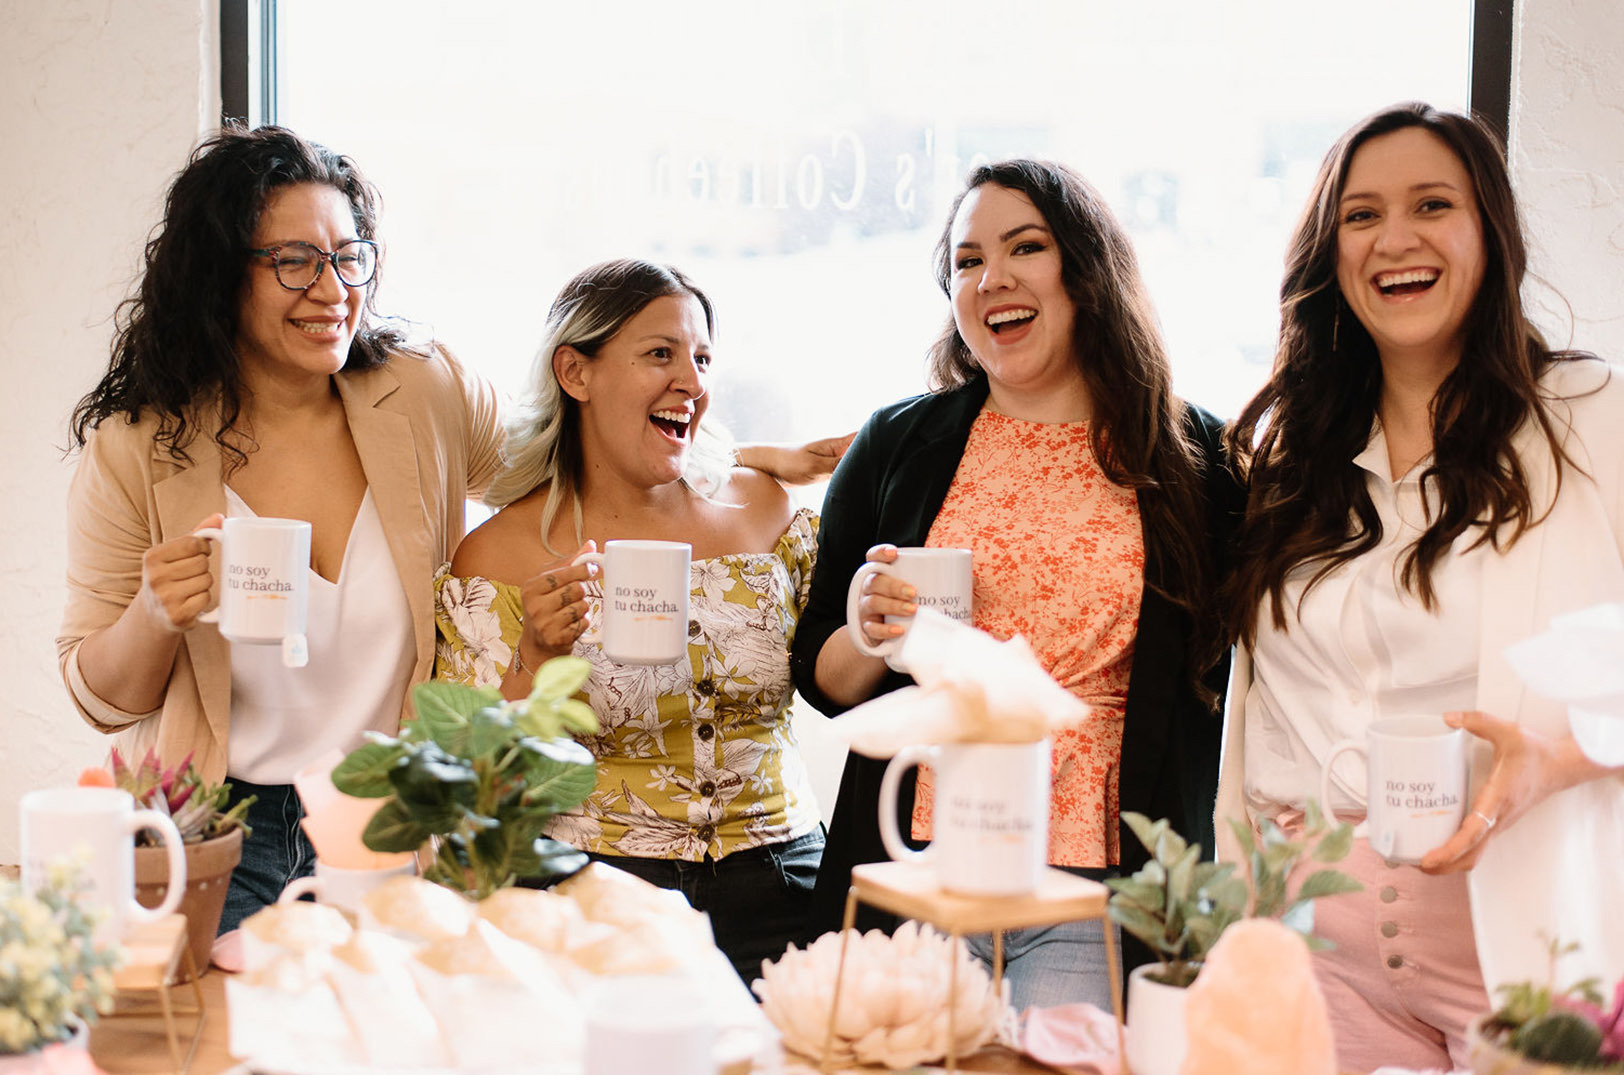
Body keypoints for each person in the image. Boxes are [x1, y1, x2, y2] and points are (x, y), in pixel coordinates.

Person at [1216, 101, 1624, 1072]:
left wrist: (1559, 759)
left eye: (1432, 204)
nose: (1394, 238)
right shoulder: (1290, 457)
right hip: (1311, 948)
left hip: (1523, 946)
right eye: (1360, 215)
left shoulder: (1588, 417)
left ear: (1489, 230)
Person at [789, 159, 1241, 1012]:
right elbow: (822, 676)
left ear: (1087, 269)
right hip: (920, 872)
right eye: (967, 261)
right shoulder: (897, 442)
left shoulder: (1195, 458)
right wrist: (870, 629)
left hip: (1098, 889)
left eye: (1025, 247)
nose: (991, 277)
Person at [59, 126, 505, 933]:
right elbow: (98, 695)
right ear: (220, 274)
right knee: (228, 1015)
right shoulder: (136, 447)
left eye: (348, 257)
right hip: (223, 824)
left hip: (394, 807)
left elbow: (561, 465)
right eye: (295, 261)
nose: (332, 289)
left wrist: (723, 461)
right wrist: (154, 614)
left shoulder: (424, 392)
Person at [434, 258, 835, 984]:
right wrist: (532, 656)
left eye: (702, 358)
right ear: (575, 372)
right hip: (594, 898)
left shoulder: (765, 511)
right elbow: (470, 786)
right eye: (660, 353)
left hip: (785, 882)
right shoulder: (498, 553)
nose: (692, 381)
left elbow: (840, 669)